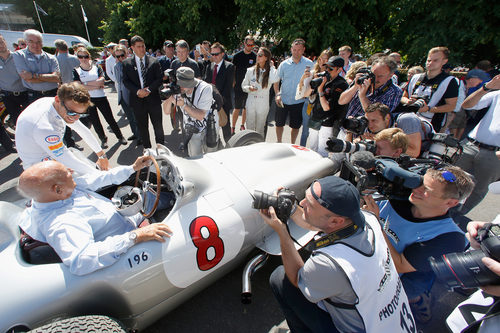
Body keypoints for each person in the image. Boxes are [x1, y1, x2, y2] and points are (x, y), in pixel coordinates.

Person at [263, 176, 414, 332]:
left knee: (281, 279)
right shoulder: (369, 219)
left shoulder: (331, 264)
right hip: (395, 323)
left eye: (309, 204)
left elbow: (296, 278)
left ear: (336, 222)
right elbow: (318, 224)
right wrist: (292, 209)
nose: (302, 203)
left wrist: (281, 231)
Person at [17, 157, 173, 275]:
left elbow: (99, 178)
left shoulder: (58, 192)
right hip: (130, 240)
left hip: (129, 217)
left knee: (150, 196)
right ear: (57, 189)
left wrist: (132, 168)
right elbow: (82, 260)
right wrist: (135, 236)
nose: (71, 171)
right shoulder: (61, 222)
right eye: (67, 173)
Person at [363, 166, 475, 323]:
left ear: (451, 202)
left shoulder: (450, 238)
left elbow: (400, 265)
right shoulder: (399, 196)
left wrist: (375, 223)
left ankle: (418, 300)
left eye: (426, 189)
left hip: (398, 275)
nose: (416, 189)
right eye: (420, 182)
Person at [15, 82, 109, 174]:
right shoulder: (44, 127)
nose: (76, 118)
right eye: (72, 113)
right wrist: (98, 175)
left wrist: (101, 155)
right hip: (39, 169)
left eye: (81, 114)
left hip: (53, 156)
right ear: (57, 100)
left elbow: (82, 129)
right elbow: (65, 157)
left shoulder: (60, 105)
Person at [455, 74, 500, 215]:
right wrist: (486, 88)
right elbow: (467, 105)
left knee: (479, 188)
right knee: (451, 177)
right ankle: (439, 209)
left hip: (494, 154)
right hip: (471, 144)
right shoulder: (497, 95)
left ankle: (458, 215)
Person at [72, 46, 127, 148]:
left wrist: (86, 84)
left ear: (89, 56)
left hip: (101, 97)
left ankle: (120, 136)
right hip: (88, 99)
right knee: (95, 121)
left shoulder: (97, 67)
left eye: (85, 56)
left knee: (110, 118)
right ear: (78, 57)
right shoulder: (76, 70)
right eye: (80, 57)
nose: (83, 59)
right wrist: (94, 84)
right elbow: (78, 86)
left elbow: (102, 81)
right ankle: (103, 139)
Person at [163, 67, 217, 157]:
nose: (181, 88)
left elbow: (200, 116)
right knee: (195, 158)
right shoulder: (177, 88)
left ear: (191, 83)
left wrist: (183, 105)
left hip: (208, 127)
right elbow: (166, 111)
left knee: (211, 157)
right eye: (179, 84)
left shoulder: (205, 89)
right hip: (191, 130)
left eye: (183, 85)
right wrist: (169, 96)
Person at [401, 46, 459, 132]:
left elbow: (451, 106)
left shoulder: (449, 81)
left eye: (435, 60)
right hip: (408, 120)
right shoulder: (416, 78)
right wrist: (408, 102)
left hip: (431, 126)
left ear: (444, 61)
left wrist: (428, 109)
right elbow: (403, 97)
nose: (430, 63)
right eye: (429, 60)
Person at [122, 35, 165, 149]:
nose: (142, 49)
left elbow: (159, 78)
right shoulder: (126, 63)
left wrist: (149, 89)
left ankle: (161, 150)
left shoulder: (154, 61)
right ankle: (147, 150)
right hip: (138, 101)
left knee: (158, 127)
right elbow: (126, 81)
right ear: (132, 48)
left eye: (143, 46)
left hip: (153, 100)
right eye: (139, 47)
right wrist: (137, 91)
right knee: (142, 128)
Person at [303, 56, 348, 156]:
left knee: (322, 152)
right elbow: (305, 94)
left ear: (339, 69)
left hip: (327, 123)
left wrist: (320, 90)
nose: (327, 70)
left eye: (331, 68)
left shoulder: (341, 84)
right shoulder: (323, 80)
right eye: (326, 67)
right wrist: (311, 83)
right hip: (315, 118)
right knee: (311, 149)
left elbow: (326, 107)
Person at [273, 38, 314, 143]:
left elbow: (312, 81)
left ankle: (292, 144)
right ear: (291, 49)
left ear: (303, 49)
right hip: (283, 99)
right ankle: (279, 142)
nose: (296, 52)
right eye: (294, 49)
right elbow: (276, 81)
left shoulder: (309, 64)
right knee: (279, 123)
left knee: (295, 125)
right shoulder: (284, 64)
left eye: (299, 50)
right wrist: (278, 94)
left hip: (299, 101)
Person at [361, 102, 432, 157]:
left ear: (387, 118)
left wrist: (377, 140)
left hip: (427, 150)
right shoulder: (371, 125)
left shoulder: (407, 120)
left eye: (374, 121)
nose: (370, 125)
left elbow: (414, 152)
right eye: (368, 121)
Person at [241, 47, 278, 137]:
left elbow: (275, 79)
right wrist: (249, 88)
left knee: (260, 128)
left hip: (263, 101)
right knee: (249, 127)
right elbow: (243, 86)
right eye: (257, 54)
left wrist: (272, 66)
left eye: (260, 55)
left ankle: (259, 146)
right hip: (251, 99)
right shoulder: (250, 70)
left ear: (266, 58)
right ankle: (250, 145)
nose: (258, 57)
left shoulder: (271, 71)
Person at [203, 42, 234, 142]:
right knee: (212, 129)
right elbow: (206, 84)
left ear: (222, 54)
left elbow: (228, 87)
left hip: (223, 103)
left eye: (216, 54)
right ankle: (217, 145)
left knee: (226, 129)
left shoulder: (229, 67)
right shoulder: (209, 67)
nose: (214, 56)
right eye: (212, 54)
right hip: (209, 103)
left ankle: (230, 148)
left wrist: (218, 101)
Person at [0, 33, 28, 126]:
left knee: (30, 120)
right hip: (8, 97)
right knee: (18, 123)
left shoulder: (18, 56)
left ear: (5, 42)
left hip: (24, 94)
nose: (0, 45)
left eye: (1, 42)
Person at [114, 45, 140, 143]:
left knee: (136, 117)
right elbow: (118, 80)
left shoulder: (131, 63)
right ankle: (135, 134)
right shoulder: (117, 66)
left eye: (122, 55)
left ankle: (140, 136)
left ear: (126, 53)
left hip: (132, 95)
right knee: (130, 117)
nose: (120, 58)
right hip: (122, 96)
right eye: (117, 56)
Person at [232, 36, 257, 135]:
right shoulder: (237, 56)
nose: (250, 47)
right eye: (248, 44)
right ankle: (233, 127)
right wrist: (233, 81)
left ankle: (242, 125)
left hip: (249, 86)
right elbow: (232, 70)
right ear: (244, 44)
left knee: (246, 107)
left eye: (252, 45)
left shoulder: (255, 56)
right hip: (238, 85)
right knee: (237, 107)